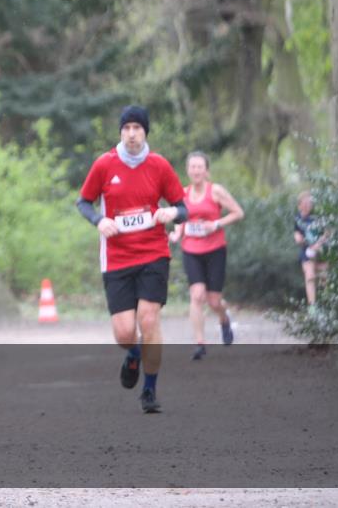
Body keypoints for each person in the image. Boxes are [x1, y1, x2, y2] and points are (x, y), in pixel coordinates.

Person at [76, 106, 187, 414]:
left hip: (153, 253)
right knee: (125, 333)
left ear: (145, 132)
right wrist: (99, 220)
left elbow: (183, 206)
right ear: (121, 133)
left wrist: (172, 212)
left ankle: (149, 391)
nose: (131, 133)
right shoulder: (105, 165)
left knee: (149, 320)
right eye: (126, 128)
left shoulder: (159, 166)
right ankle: (135, 354)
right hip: (117, 257)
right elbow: (83, 202)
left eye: (137, 128)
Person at [168, 151, 245, 360]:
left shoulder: (216, 191)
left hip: (215, 250)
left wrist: (216, 224)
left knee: (213, 301)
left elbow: (239, 212)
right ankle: (200, 343)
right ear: (187, 170)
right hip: (191, 250)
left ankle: (224, 319)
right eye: (192, 167)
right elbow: (181, 220)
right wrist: (176, 234)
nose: (196, 171)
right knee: (196, 295)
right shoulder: (182, 194)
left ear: (206, 170)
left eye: (200, 167)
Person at [294, 190, 329, 306]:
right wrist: (298, 237)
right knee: (309, 276)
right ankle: (312, 307)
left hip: (321, 249)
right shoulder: (297, 218)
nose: (307, 207)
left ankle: (327, 303)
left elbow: (327, 232)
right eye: (304, 204)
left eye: (309, 204)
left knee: (324, 277)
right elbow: (297, 232)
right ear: (299, 205)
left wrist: (318, 244)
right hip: (306, 249)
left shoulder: (318, 216)